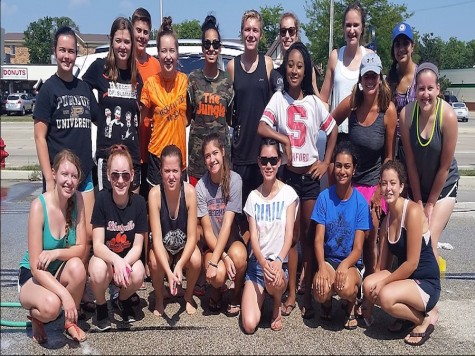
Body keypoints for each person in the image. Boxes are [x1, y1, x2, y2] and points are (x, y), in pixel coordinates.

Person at [258, 41, 338, 319]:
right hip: (289, 178)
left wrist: (326, 162)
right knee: (291, 239)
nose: (294, 70)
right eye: (290, 65)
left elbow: (333, 129)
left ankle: (310, 296)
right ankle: (291, 293)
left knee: (310, 236)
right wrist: (283, 139)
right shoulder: (279, 99)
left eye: (299, 66)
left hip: (311, 180)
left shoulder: (314, 103)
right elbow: (261, 126)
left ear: (306, 71)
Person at [32, 26, 98, 312]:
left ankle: (80, 294)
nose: (67, 56)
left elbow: (101, 116)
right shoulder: (49, 89)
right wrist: (49, 177)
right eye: (62, 50)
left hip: (85, 180)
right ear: (55, 52)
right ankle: (54, 291)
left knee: (84, 239)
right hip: (61, 181)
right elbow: (39, 135)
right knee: (60, 238)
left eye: (71, 51)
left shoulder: (83, 88)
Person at [331, 53, 397, 292]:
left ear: (380, 78)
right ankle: (347, 283)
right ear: (361, 78)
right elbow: (329, 123)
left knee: (370, 235)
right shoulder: (353, 103)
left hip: (373, 183)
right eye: (366, 76)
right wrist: (331, 158)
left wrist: (380, 191)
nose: (370, 80)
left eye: (374, 76)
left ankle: (370, 290)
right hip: (350, 182)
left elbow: (388, 156)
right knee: (345, 234)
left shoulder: (388, 111)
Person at [363, 160, 440, 346]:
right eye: (384, 183)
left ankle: (422, 319)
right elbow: (382, 267)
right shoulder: (386, 221)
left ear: (401, 186)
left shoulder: (412, 211)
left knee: (386, 296)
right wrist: (368, 302)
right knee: (367, 285)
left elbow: (412, 263)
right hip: (407, 280)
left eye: (393, 183)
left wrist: (383, 284)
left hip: (426, 283)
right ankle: (406, 315)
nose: (388, 188)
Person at [19, 149, 87, 344]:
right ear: (54, 173)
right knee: (51, 307)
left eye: (74, 176)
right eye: (65, 174)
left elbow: (81, 248)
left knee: (77, 267)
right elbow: (34, 266)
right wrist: (65, 295)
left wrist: (56, 252)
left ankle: (69, 322)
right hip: (33, 276)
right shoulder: (39, 206)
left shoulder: (78, 199)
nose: (69, 181)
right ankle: (36, 318)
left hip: (57, 270)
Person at [399, 62, 459, 267]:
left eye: (430, 88)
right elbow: (411, 163)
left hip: (443, 187)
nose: (425, 94)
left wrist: (430, 204)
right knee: (413, 240)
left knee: (428, 241)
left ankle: (430, 292)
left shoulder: (448, 116)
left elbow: (444, 167)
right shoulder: (406, 115)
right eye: (421, 88)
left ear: (438, 89)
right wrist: (417, 200)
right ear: (415, 90)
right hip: (419, 186)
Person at [241, 138, 299, 333]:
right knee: (249, 325)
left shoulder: (288, 194)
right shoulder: (253, 197)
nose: (268, 165)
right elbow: (254, 238)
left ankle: (275, 303)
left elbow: (289, 234)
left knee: (275, 278)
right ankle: (260, 295)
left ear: (280, 161)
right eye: (264, 160)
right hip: (258, 266)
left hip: (278, 265)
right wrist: (262, 262)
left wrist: (277, 260)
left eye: (273, 160)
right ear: (258, 162)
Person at [311, 141, 371, 330]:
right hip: (330, 259)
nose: (342, 171)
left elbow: (359, 248)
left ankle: (350, 304)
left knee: (345, 287)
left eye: (347, 166)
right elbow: (318, 240)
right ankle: (327, 304)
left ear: (354, 170)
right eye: (338, 166)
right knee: (319, 291)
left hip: (351, 262)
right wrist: (321, 266)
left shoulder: (361, 203)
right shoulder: (324, 198)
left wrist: (345, 265)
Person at [88, 144, 147, 330]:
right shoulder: (102, 200)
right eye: (115, 175)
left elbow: (138, 246)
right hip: (106, 260)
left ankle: (122, 299)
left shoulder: (138, 203)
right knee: (97, 270)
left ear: (132, 175)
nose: (120, 180)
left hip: (127, 260)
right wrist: (117, 262)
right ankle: (101, 305)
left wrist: (124, 264)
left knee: (138, 273)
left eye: (125, 175)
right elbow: (97, 245)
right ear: (107, 176)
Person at [226, 9, 275, 231]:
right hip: (241, 152)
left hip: (262, 152)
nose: (251, 34)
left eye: (255, 30)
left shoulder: (268, 64)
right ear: (242, 32)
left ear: (261, 34)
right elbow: (228, 109)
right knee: (242, 215)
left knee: (263, 213)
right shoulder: (231, 67)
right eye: (247, 29)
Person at [82, 17, 142, 193]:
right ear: (111, 42)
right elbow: (82, 88)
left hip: (132, 155)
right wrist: (97, 115)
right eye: (118, 41)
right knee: (107, 213)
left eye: (126, 42)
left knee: (132, 213)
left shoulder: (136, 75)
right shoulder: (100, 67)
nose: (122, 46)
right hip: (107, 156)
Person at [196, 133, 247, 316]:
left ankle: (236, 294)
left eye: (215, 153)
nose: (212, 159)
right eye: (207, 156)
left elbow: (227, 224)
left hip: (231, 240)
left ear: (223, 152)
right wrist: (222, 257)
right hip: (212, 244)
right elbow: (207, 231)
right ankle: (216, 290)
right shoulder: (200, 187)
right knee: (217, 274)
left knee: (239, 257)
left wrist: (226, 255)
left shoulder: (235, 180)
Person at [148, 145, 201, 317]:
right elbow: (156, 240)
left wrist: (178, 265)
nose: (171, 176)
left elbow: (193, 238)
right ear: (161, 172)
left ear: (182, 170)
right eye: (167, 171)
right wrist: (169, 273)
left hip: (183, 247)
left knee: (196, 259)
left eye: (175, 171)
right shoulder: (155, 194)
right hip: (163, 247)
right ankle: (159, 297)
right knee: (154, 261)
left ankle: (188, 295)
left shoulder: (190, 193)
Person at [186, 14, 234, 186]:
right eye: (207, 44)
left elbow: (229, 120)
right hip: (197, 163)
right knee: (196, 212)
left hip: (221, 163)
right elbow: (187, 116)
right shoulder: (192, 79)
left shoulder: (228, 82)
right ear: (202, 47)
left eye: (215, 44)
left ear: (219, 48)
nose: (211, 48)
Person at [140, 16, 188, 187]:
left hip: (179, 159)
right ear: (158, 54)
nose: (168, 56)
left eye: (171, 51)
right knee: (155, 208)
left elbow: (189, 118)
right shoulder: (150, 84)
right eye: (164, 51)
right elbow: (141, 120)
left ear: (177, 53)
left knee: (178, 210)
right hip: (157, 158)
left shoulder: (185, 82)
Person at [320, 1, 373, 141]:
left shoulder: (370, 57)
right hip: (337, 133)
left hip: (361, 132)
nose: (352, 30)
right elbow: (323, 99)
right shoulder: (335, 56)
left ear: (362, 28)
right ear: (343, 28)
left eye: (356, 25)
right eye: (348, 25)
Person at [132, 7, 161, 200]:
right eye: (138, 30)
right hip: (130, 148)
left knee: (151, 207)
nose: (142, 36)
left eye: (145, 31)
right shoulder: (123, 61)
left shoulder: (157, 65)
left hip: (152, 149)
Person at [386, 22, 417, 161]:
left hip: (418, 146)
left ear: (412, 47)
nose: (401, 48)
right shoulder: (389, 79)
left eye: (405, 43)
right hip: (394, 147)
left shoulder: (422, 76)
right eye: (397, 44)